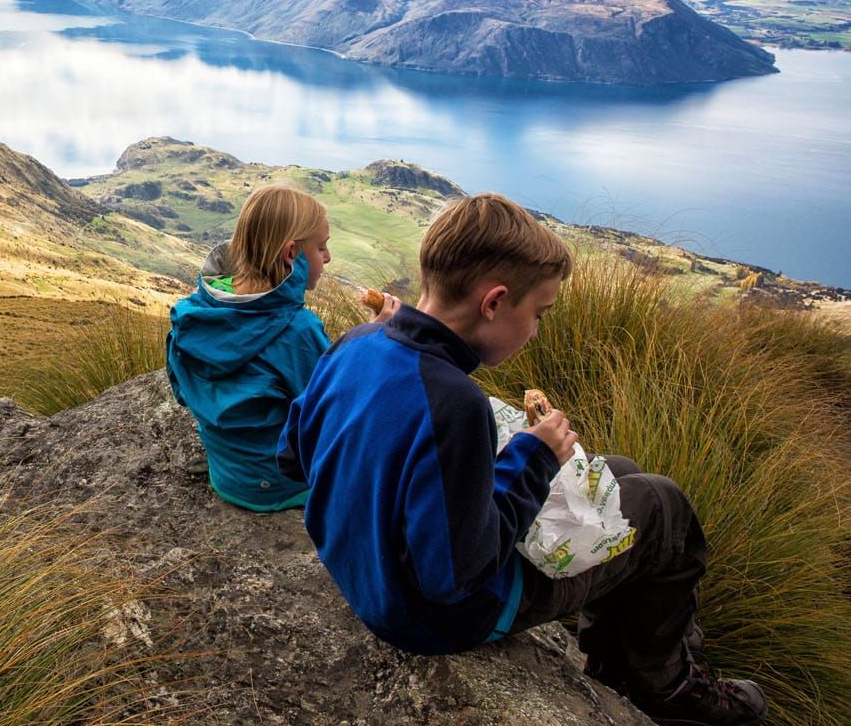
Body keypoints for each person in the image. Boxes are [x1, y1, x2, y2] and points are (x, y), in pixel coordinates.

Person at [276, 193, 766, 726]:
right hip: (434, 617)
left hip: (366, 573)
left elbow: (292, 456)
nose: (536, 330)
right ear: (494, 302)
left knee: (616, 474)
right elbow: (457, 574)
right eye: (538, 313)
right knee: (663, 507)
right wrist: (532, 456)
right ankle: (662, 683)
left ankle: (625, 634)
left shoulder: (356, 342)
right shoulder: (454, 402)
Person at [166, 185, 397, 511]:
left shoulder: (196, 311)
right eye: (321, 247)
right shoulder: (297, 331)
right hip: (279, 485)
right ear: (291, 254)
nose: (328, 257)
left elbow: (180, 389)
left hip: (227, 475)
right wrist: (377, 339)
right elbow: (337, 412)